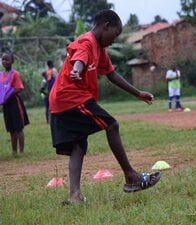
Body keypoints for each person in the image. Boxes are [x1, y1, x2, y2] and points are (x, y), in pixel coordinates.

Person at [49, 9, 161, 204]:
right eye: (115, 35)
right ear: (105, 26)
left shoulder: (100, 49)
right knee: (112, 125)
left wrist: (138, 94)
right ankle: (131, 177)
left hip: (64, 99)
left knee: (78, 144)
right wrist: (77, 70)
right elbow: (79, 57)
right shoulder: (87, 41)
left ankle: (74, 196)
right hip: (71, 98)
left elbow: (111, 74)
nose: (115, 40)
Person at [0, 52, 30, 155]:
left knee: (19, 127)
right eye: (3, 59)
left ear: (12, 61)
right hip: (6, 104)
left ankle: (21, 151)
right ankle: (14, 151)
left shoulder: (15, 74)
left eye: (7, 59)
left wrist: (7, 95)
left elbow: (19, 88)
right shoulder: (1, 75)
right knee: (11, 128)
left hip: (14, 102)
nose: (4, 61)